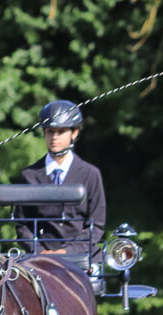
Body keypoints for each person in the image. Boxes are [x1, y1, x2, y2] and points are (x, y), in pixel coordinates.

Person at [15, 100, 106, 259]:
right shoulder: (29, 175)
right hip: (40, 258)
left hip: (81, 256)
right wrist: (40, 251)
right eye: (50, 131)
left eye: (61, 131)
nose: (54, 137)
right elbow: (22, 225)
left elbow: (96, 225)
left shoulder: (90, 174)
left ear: (74, 133)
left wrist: (67, 252)